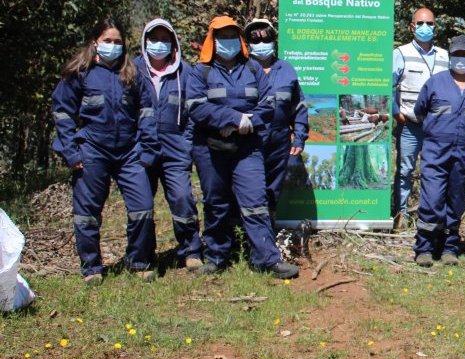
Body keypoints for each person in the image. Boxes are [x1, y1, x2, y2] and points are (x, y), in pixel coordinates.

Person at [186, 16, 298, 279]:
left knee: (256, 201)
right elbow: (196, 107)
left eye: (232, 36)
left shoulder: (252, 69)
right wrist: (233, 118)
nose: (228, 41)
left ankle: (267, 259)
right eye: (222, 36)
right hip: (211, 148)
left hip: (248, 147)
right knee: (216, 203)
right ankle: (215, 257)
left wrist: (246, 122)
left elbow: (268, 103)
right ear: (213, 40)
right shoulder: (200, 71)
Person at [52, 19, 160, 285]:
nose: (113, 46)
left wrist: (147, 149)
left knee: (143, 208)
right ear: (95, 43)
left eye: (117, 42)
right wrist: (71, 151)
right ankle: (92, 267)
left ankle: (138, 262)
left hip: (129, 152)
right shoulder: (80, 73)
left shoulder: (133, 74)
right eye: (107, 41)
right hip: (92, 150)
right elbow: (63, 112)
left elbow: (147, 112)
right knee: (87, 212)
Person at [413, 35, 465, 266]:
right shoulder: (435, 83)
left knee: (457, 200)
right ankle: (425, 248)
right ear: (450, 56)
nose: (461, 59)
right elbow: (420, 113)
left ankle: (449, 247)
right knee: (432, 199)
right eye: (457, 54)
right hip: (435, 150)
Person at [134, 17, 203, 270]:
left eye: (165, 39)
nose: (159, 44)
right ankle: (144, 255)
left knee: (183, 198)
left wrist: (186, 144)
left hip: (175, 150)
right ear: (145, 41)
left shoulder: (185, 72)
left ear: (173, 43)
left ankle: (191, 250)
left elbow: (193, 113)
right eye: (154, 39)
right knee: (141, 204)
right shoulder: (133, 70)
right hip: (142, 149)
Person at [245, 18, 308, 221]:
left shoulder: (287, 70)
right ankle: (246, 236)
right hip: (249, 140)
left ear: (274, 40)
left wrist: (299, 135)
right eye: (256, 39)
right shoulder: (241, 70)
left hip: (279, 141)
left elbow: (298, 106)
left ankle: (268, 230)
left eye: (266, 39)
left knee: (273, 189)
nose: (261, 44)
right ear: (247, 43)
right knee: (251, 189)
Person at [392, 8, 449, 228]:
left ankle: (429, 215)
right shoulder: (401, 53)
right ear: (412, 26)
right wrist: (396, 112)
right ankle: (401, 215)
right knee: (405, 170)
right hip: (410, 126)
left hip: (437, 127)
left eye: (430, 24)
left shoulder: (444, 56)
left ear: (435, 26)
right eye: (421, 23)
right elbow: (387, 86)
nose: (426, 28)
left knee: (433, 171)